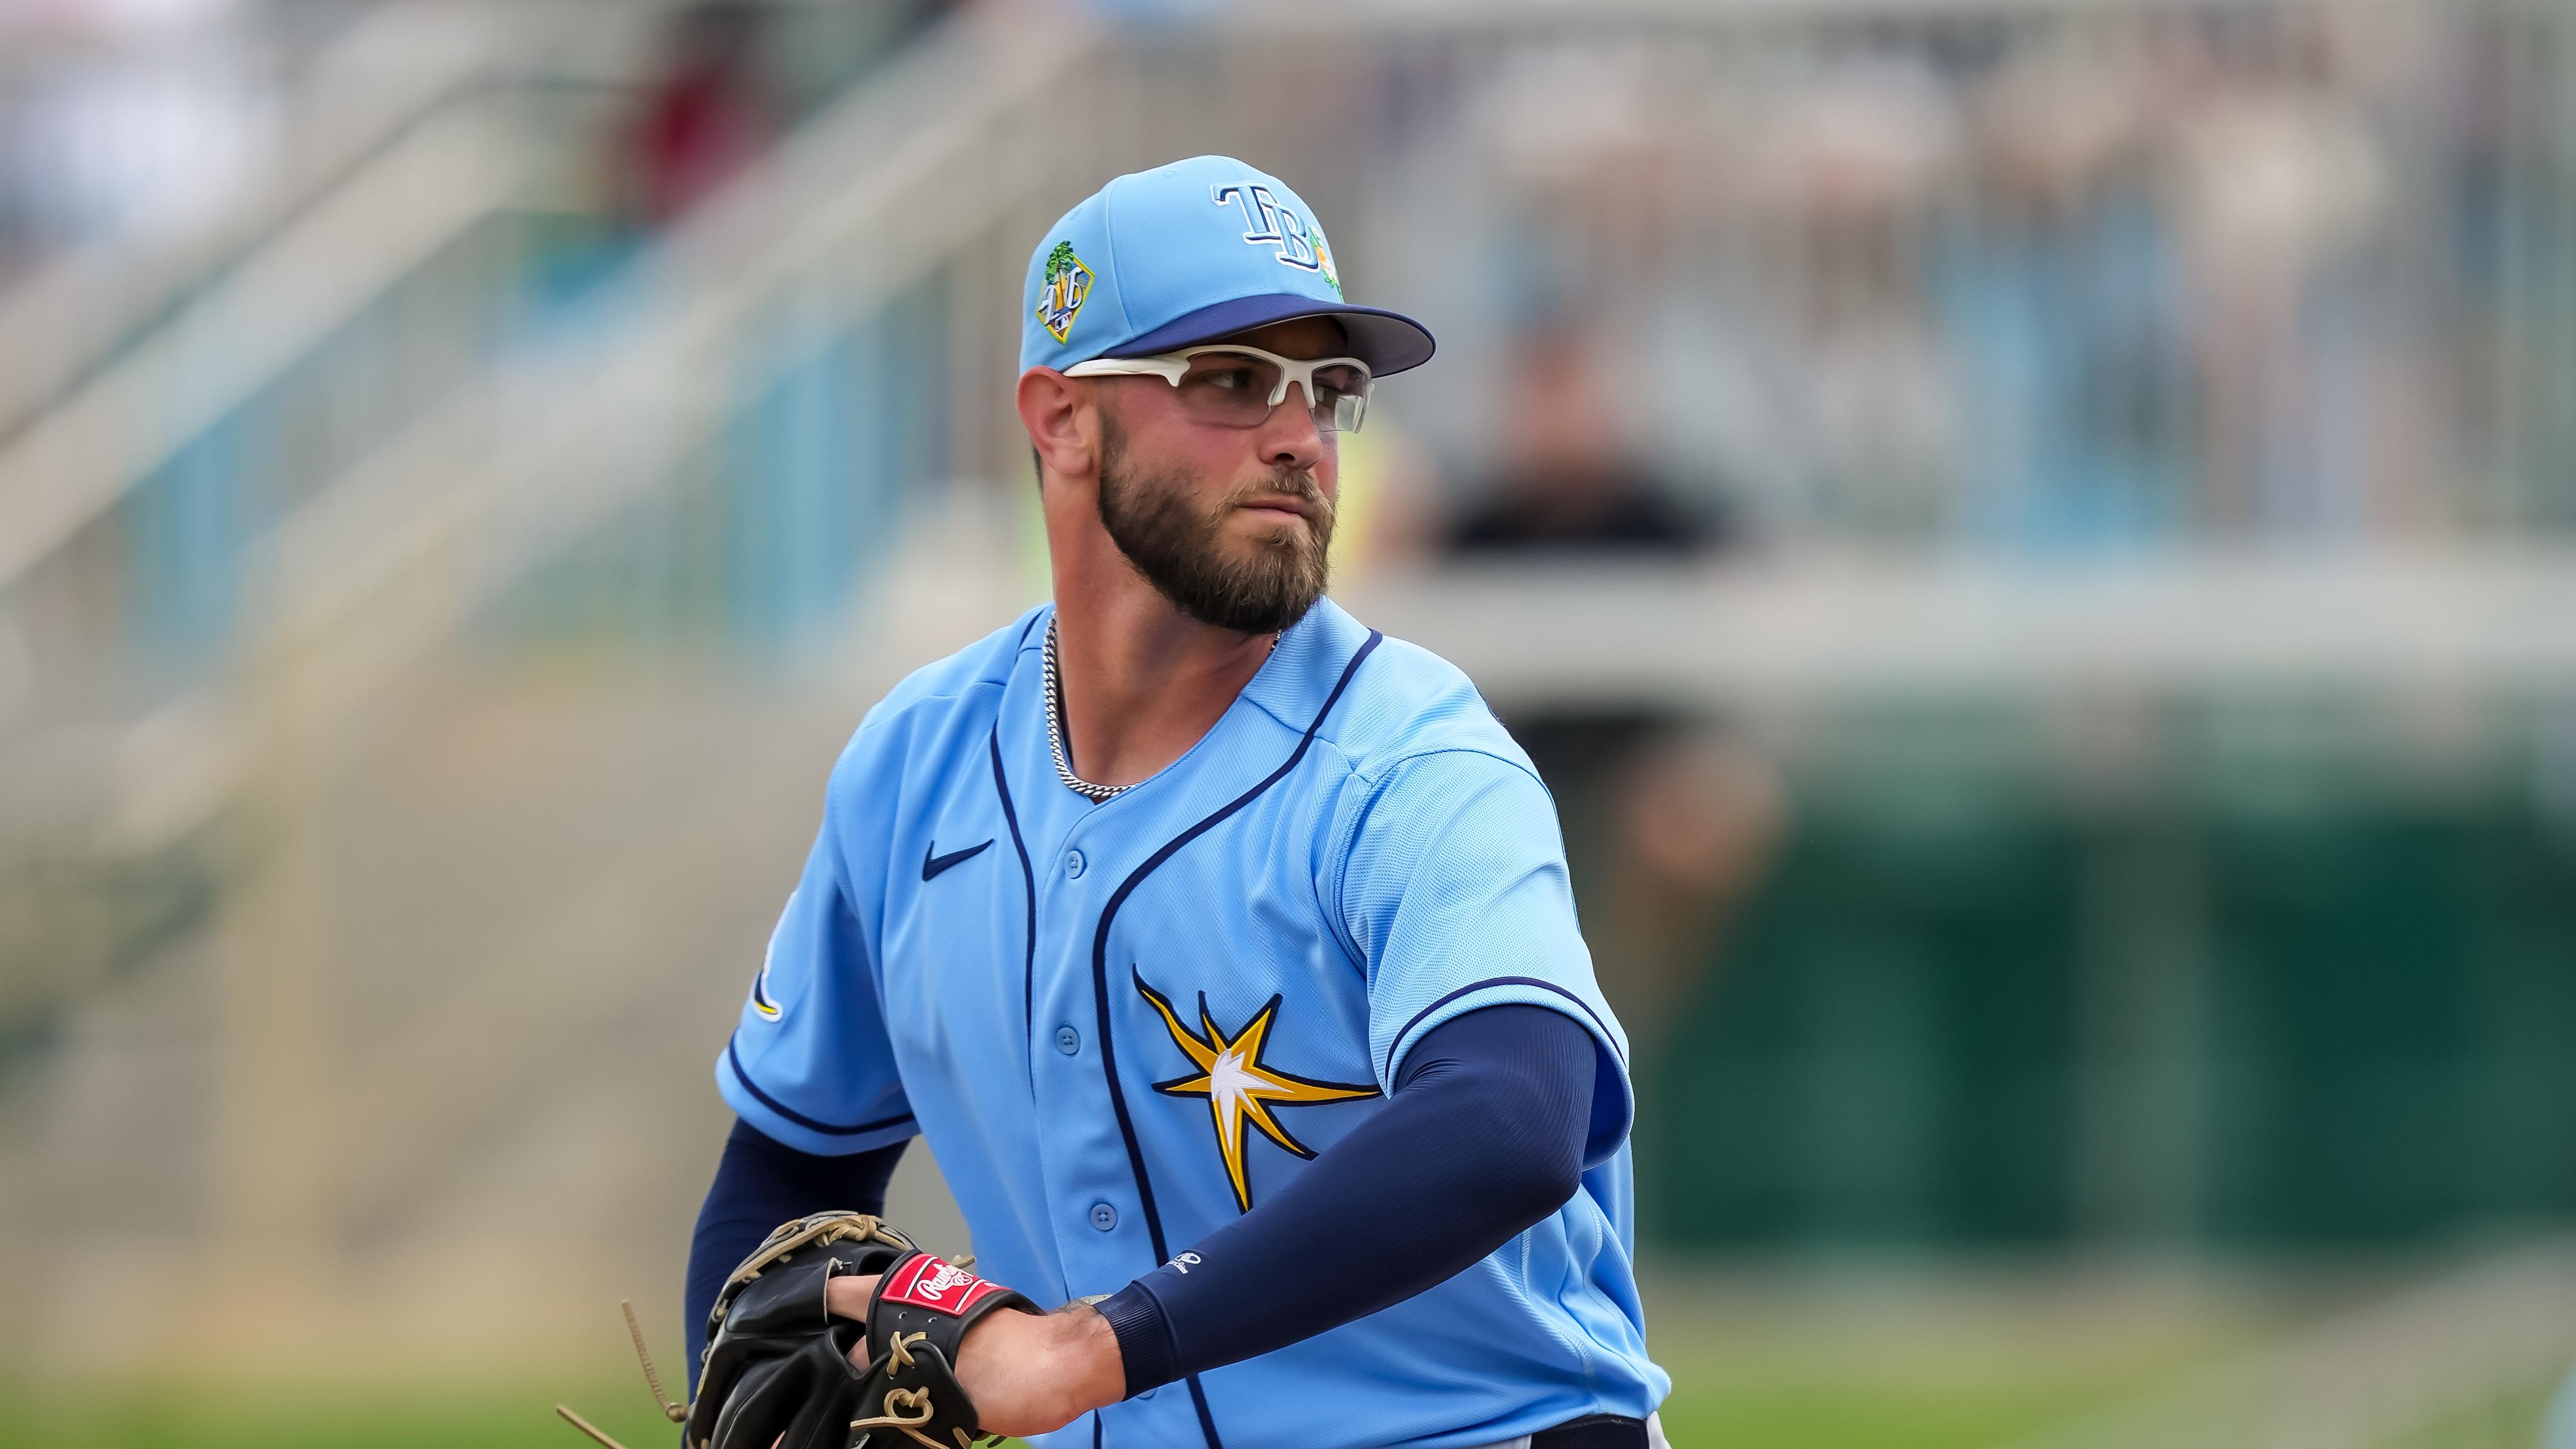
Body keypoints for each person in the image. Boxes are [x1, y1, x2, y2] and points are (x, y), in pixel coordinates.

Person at [685, 155, 1669, 1449]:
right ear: (1060, 419)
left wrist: (1088, 1350)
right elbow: (783, 1174)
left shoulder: (1411, 761)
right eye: (1231, 380)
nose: (1299, 437)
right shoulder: (914, 766)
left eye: (1328, 390)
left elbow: (1513, 1116)